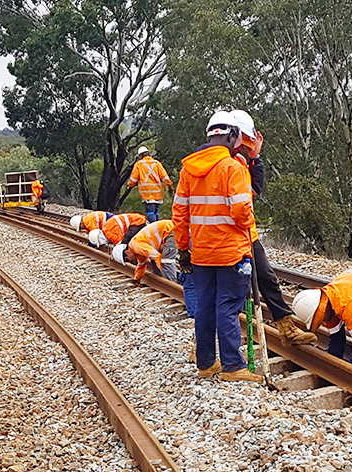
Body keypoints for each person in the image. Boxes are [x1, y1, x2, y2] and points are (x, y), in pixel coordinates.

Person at [172, 111, 260, 383]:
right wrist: (250, 225)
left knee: (206, 306)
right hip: (231, 251)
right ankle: (233, 366)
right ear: (231, 136)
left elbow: (179, 213)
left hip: (201, 253)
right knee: (228, 307)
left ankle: (206, 363)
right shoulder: (231, 168)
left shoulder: (189, 170)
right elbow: (241, 210)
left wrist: (184, 248)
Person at [229, 109, 316, 347]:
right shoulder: (222, 163)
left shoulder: (240, 161)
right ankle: (209, 343)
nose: (245, 144)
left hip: (247, 234)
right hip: (226, 238)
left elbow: (255, 189)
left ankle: (286, 328)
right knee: (229, 292)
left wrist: (255, 157)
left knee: (267, 279)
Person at [111, 219, 178, 284]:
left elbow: (157, 256)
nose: (130, 261)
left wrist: (162, 269)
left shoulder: (137, 246)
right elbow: (141, 265)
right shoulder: (137, 251)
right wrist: (137, 279)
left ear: (127, 252)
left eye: (127, 260)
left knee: (166, 261)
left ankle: (171, 282)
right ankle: (163, 280)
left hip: (170, 230)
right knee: (157, 261)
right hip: (168, 231)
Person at [127, 146, 173, 223]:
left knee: (150, 212)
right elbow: (165, 178)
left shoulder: (139, 164)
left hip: (147, 194)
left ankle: (155, 231)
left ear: (140, 155)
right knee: (156, 212)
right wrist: (170, 186)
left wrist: (129, 186)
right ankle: (158, 230)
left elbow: (133, 180)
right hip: (158, 194)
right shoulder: (157, 164)